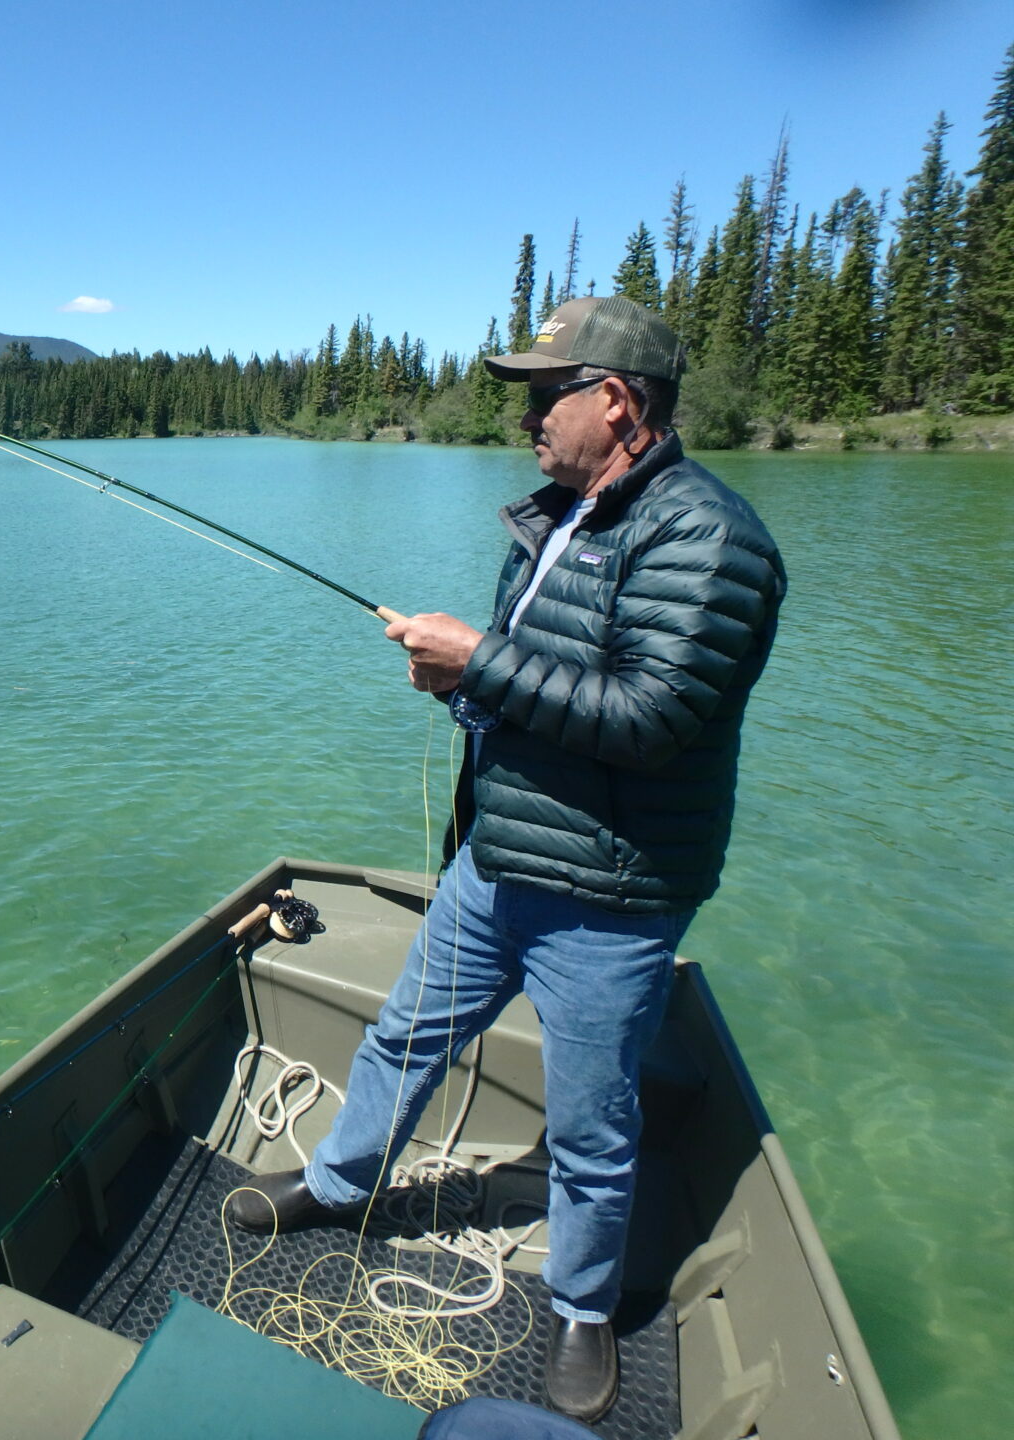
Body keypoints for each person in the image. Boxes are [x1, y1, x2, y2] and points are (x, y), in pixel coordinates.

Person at [230, 297, 786, 1423]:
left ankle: (581, 1309)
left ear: (617, 402)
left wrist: (478, 662)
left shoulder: (711, 539)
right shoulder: (561, 515)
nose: (527, 419)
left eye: (545, 396)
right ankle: (339, 1186)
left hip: (613, 897)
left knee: (592, 1120)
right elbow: (543, 684)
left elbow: (652, 716)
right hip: (498, 861)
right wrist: (463, 678)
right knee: (405, 1032)